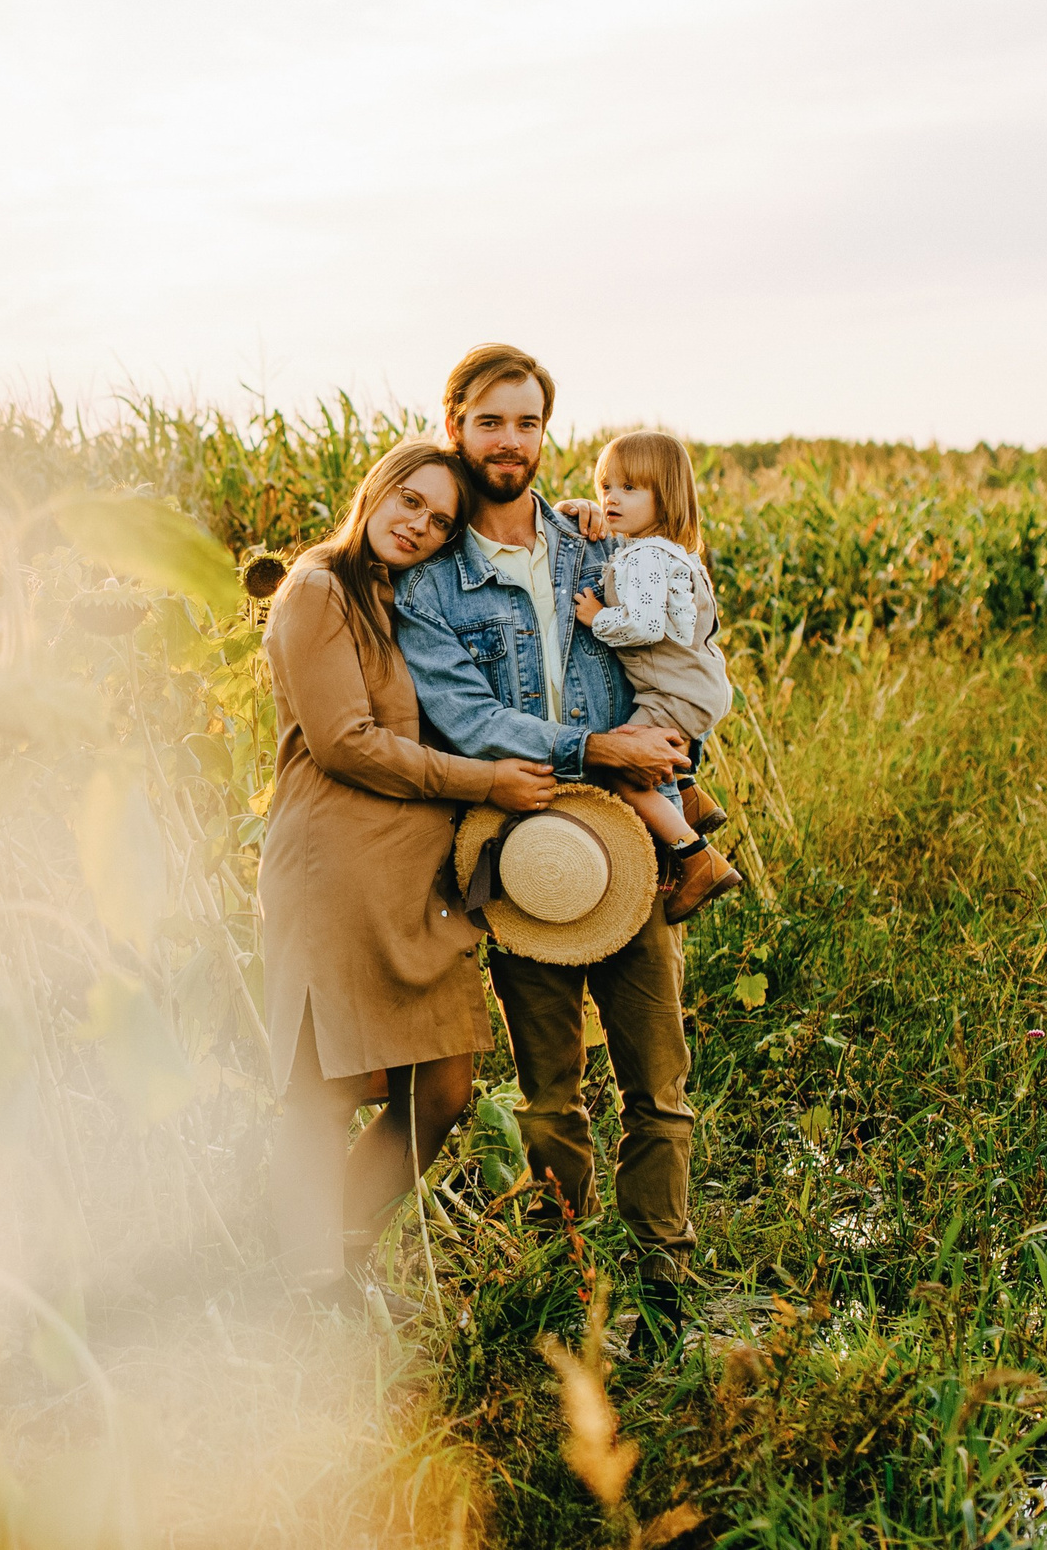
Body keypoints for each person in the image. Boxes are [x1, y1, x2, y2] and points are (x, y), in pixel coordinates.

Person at [388, 343, 700, 1347]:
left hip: (625, 841)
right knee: (549, 1091)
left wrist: (668, 733)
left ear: (543, 432)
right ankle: (565, 1289)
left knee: (658, 1084)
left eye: (526, 422)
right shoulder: (432, 585)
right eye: (489, 422)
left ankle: (663, 1289)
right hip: (529, 855)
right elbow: (465, 716)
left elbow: (677, 621)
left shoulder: (592, 543)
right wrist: (589, 743)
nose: (510, 441)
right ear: (456, 428)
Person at [258, 438, 557, 1303]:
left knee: (444, 1086)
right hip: (335, 869)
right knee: (332, 1087)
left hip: (413, 880)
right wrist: (485, 780)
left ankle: (339, 1252)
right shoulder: (319, 586)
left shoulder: (405, 598)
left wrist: (571, 523)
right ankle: (314, 1277)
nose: (420, 525)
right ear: (376, 489)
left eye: (440, 519)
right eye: (409, 502)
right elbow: (344, 742)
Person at [569, 431, 742, 922]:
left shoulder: (642, 558)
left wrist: (595, 616)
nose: (611, 498)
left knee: (623, 765)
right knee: (644, 750)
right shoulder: (672, 553)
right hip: (699, 684)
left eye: (629, 488)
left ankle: (697, 858)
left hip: (674, 690)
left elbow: (644, 626)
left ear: (664, 496)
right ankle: (690, 797)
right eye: (606, 486)